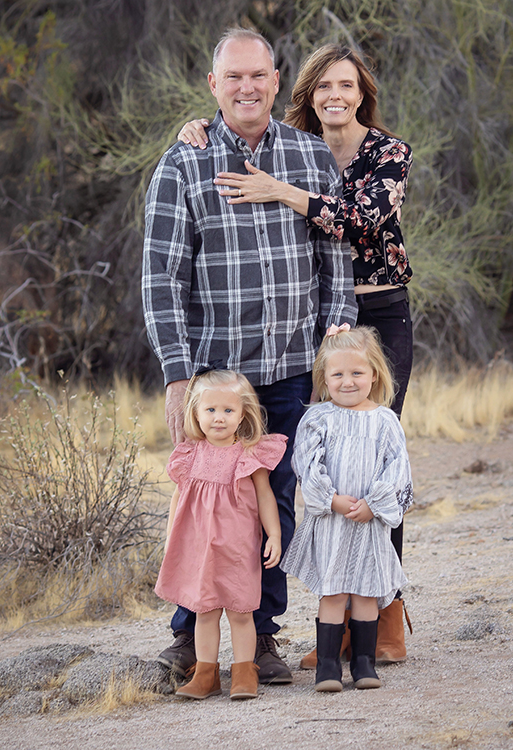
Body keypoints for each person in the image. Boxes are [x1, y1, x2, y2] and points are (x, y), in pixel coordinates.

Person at [178, 43, 413, 663]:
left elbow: (353, 224)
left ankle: (378, 620)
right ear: (305, 94)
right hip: (307, 335)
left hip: (372, 314)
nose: (337, 96)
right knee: (284, 480)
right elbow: (242, 116)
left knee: (368, 463)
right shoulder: (285, 141)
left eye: (348, 85)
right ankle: (223, 631)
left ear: (363, 91)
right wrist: (197, 126)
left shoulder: (382, 152)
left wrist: (278, 189)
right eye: (325, 87)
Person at [142, 29, 358, 686]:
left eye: (257, 76)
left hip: (293, 368)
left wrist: (337, 344)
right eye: (233, 77)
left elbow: (334, 256)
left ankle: (259, 636)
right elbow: (161, 277)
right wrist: (179, 377)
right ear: (214, 86)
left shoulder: (308, 154)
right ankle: (190, 636)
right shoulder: (183, 165)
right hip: (218, 380)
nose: (246, 87)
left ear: (274, 78)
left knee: (278, 504)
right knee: (207, 508)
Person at [281, 325, 413, 692]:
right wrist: (332, 499)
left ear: (374, 374)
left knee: (366, 592)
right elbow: (307, 463)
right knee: (334, 592)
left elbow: (397, 468)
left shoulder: (385, 420)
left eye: (357, 373)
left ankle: (364, 664)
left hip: (369, 523)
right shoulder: (318, 417)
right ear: (324, 377)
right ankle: (327, 667)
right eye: (337, 374)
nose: (348, 382)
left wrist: (375, 503)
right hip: (332, 523)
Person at [156, 368, 287, 700]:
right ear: (196, 414)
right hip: (200, 549)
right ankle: (206, 674)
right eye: (210, 410)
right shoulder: (190, 453)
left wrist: (274, 534)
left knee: (241, 612)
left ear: (243, 413)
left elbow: (265, 496)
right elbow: (178, 498)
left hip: (238, 549)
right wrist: (172, 537)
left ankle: (244, 672)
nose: (219, 418)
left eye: (228, 410)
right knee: (205, 612)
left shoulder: (249, 453)